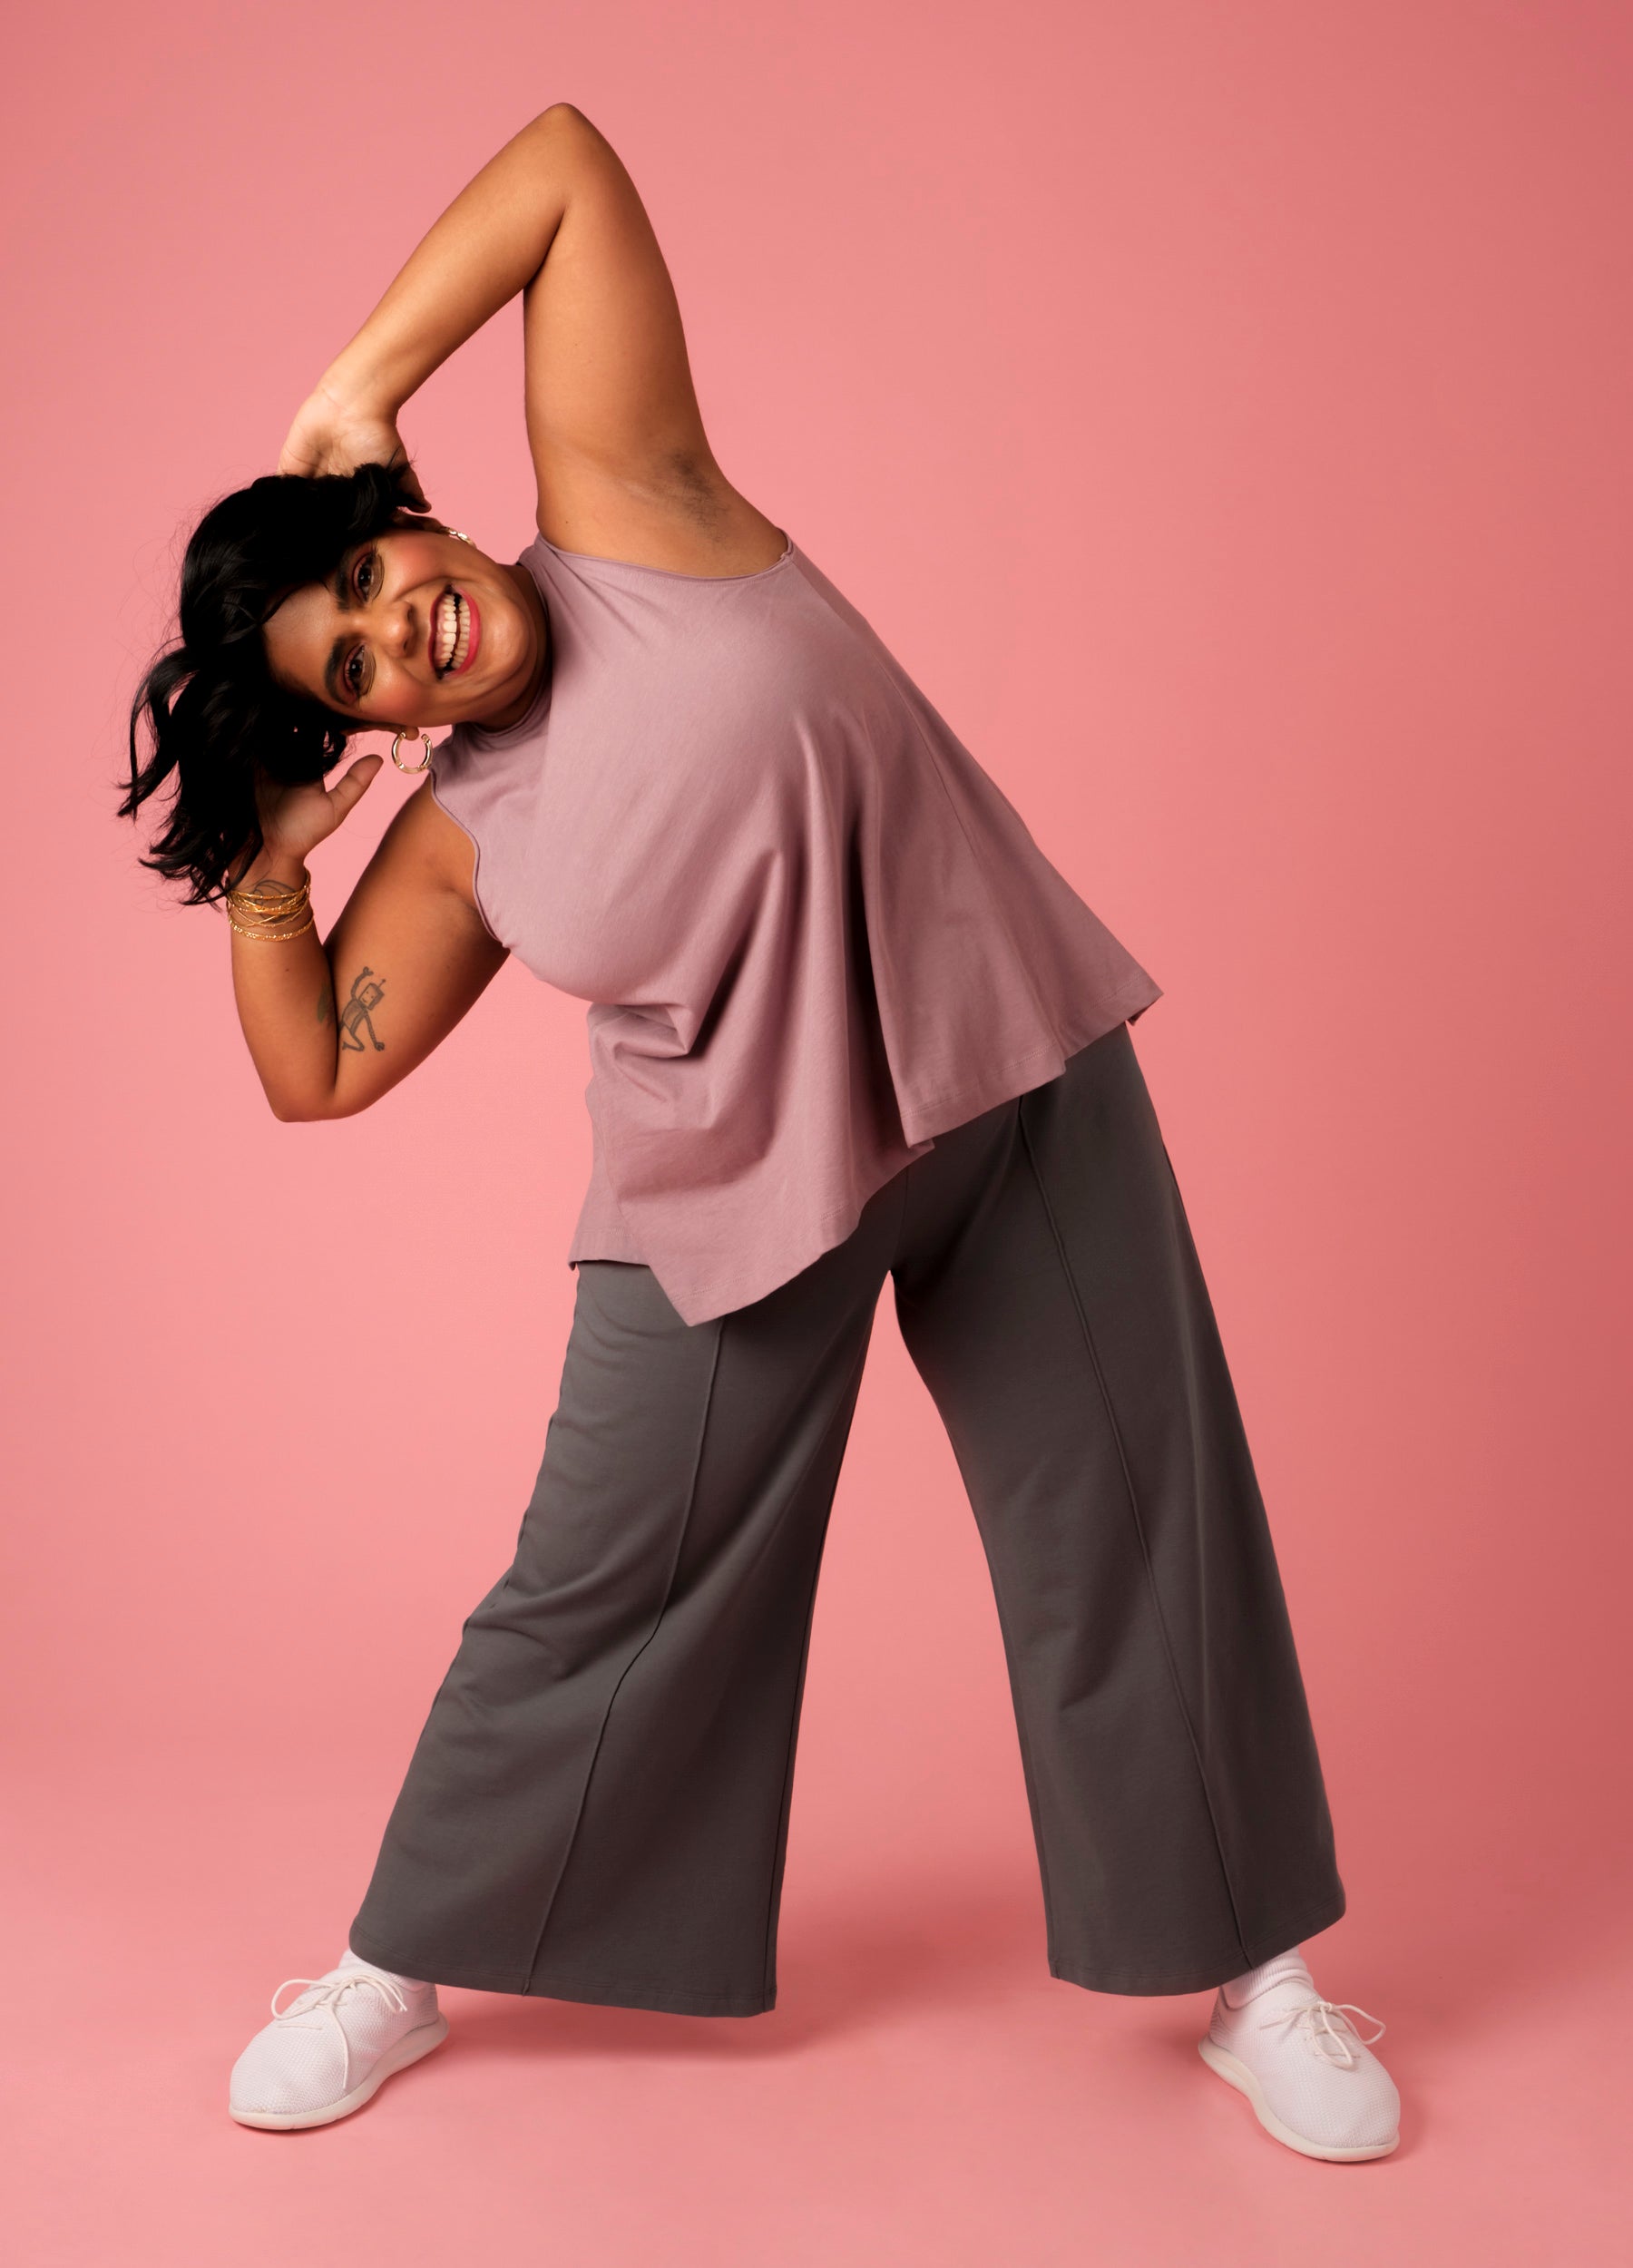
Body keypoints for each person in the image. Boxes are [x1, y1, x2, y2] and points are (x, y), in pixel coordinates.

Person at [122, 103, 1398, 2162]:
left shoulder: (633, 503)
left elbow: (562, 169)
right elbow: (318, 1072)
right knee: (598, 1588)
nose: (399, 629)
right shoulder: (458, 834)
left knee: (1142, 1509)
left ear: (413, 520)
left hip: (998, 1068)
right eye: (350, 665)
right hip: (729, 1192)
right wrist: (273, 870)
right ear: (364, 723)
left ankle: (1262, 1978)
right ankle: (399, 1962)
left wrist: (356, 381)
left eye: (371, 574)